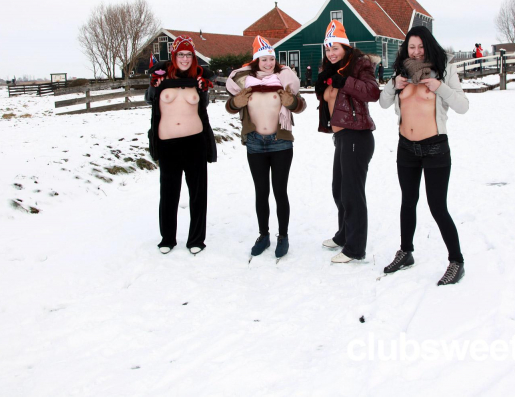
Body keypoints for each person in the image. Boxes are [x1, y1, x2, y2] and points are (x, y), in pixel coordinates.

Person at [379, 25, 470, 286]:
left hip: (435, 149)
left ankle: (457, 261)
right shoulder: (401, 72)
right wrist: (392, 85)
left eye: (420, 47)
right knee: (408, 201)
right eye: (412, 47)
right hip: (406, 148)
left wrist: (440, 87)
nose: (416, 52)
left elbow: (463, 106)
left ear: (428, 46)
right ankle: (405, 252)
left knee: (437, 206)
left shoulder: (445, 70)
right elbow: (383, 103)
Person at [225, 36, 307, 259]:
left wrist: (291, 102)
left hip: (280, 143)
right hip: (255, 144)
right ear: (256, 61)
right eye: (264, 59)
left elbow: (301, 105)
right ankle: (264, 235)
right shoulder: (245, 82)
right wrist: (236, 103)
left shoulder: (284, 79)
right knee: (261, 192)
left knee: (280, 191)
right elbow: (230, 106)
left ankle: (283, 236)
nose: (269, 63)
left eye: (272, 59)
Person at [315, 20, 380, 263]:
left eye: (336, 48)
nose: (331, 54)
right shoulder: (331, 70)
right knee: (339, 190)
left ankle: (355, 248)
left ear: (345, 47)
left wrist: (346, 82)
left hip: (358, 136)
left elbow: (373, 92)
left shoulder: (359, 66)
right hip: (341, 137)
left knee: (352, 193)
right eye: (328, 49)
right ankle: (343, 235)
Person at [145, 37, 217, 255]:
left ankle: (196, 238)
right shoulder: (161, 77)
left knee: (197, 193)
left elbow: (202, 107)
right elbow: (149, 99)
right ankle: (167, 237)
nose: (185, 59)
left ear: (193, 58)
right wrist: (153, 86)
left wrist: (204, 89)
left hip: (194, 142)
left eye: (188, 55)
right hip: (168, 144)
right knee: (168, 192)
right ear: (174, 57)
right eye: (180, 55)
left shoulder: (199, 79)